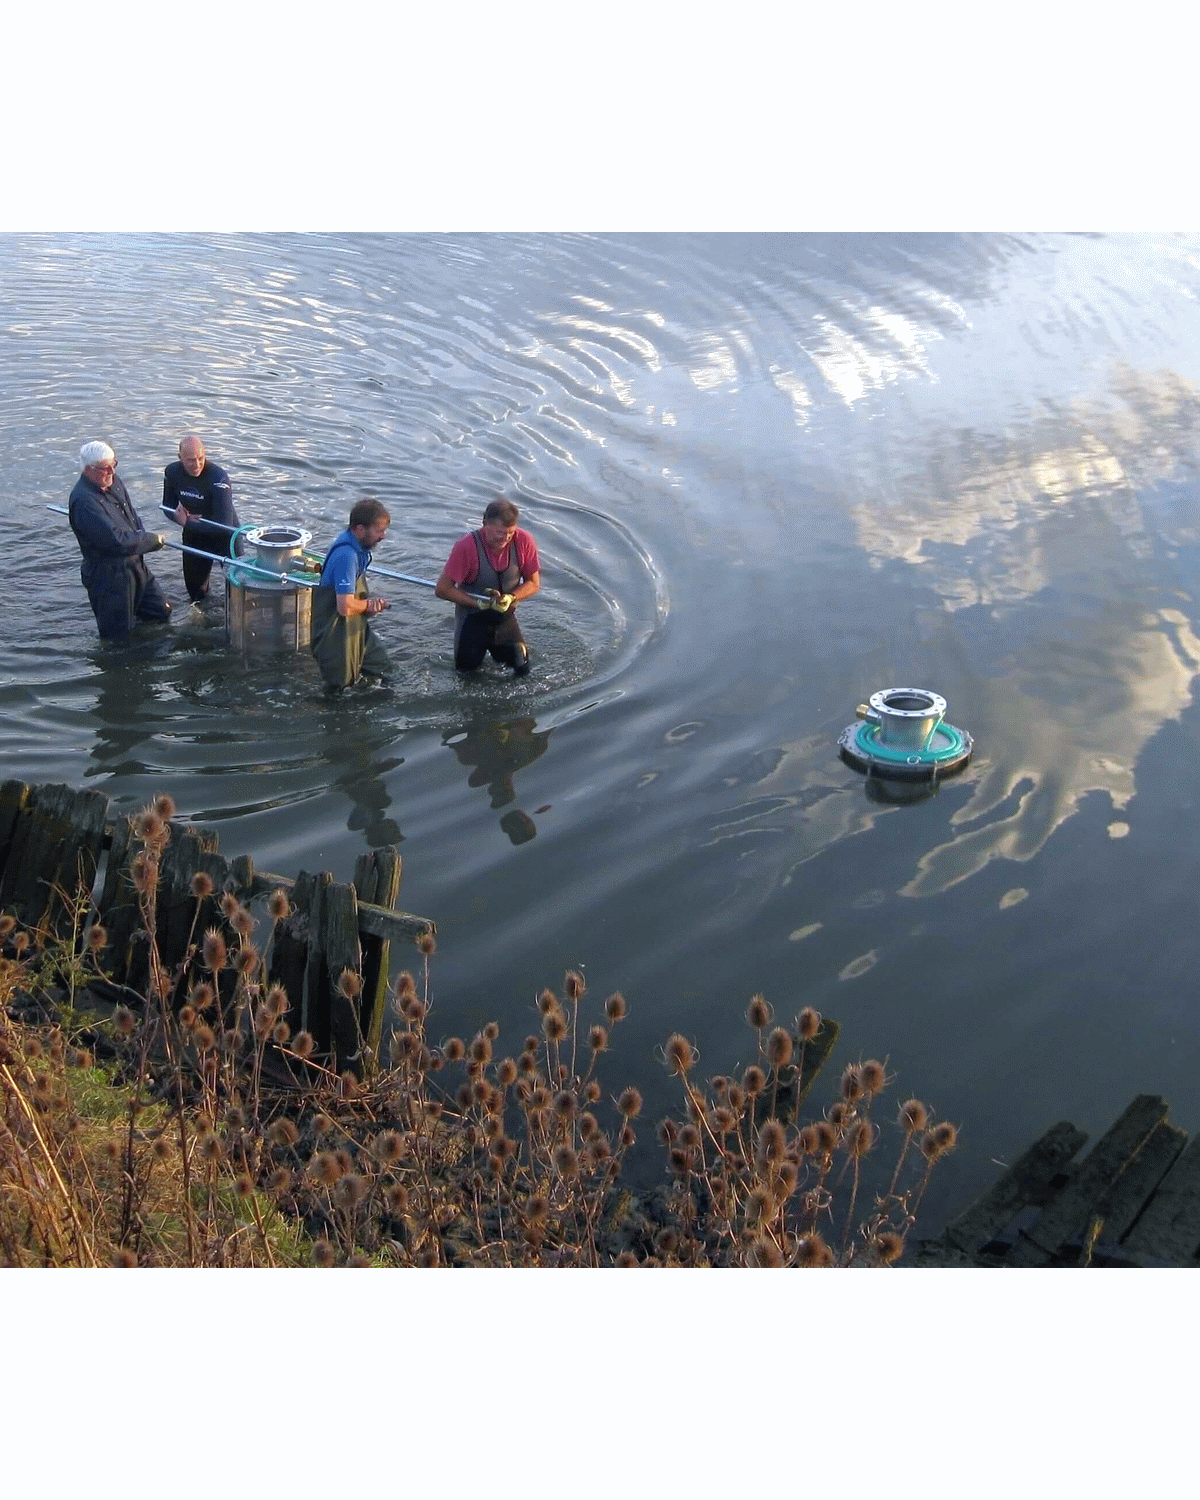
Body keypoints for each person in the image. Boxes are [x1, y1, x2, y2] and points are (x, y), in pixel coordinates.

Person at [68, 441, 171, 641]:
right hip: (109, 576)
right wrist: (152, 540)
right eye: (105, 468)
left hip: (135, 565)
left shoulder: (113, 480)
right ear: (88, 469)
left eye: (114, 465)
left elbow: (131, 516)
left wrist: (141, 537)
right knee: (118, 637)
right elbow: (116, 541)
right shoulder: (83, 502)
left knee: (160, 612)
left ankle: (151, 650)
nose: (111, 472)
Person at [434, 499, 539, 676]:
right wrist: (477, 603)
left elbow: (534, 583)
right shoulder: (466, 546)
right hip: (471, 621)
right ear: (485, 525)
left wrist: (511, 598)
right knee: (466, 676)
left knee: (523, 670)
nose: (505, 539)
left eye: (510, 533)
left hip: (505, 620)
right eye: (500, 532)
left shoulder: (524, 541)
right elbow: (442, 589)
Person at [310, 499, 392, 690]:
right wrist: (369, 605)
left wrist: (366, 608)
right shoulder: (347, 555)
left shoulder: (359, 550)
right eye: (379, 531)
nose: (383, 536)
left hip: (356, 628)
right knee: (340, 690)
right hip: (334, 634)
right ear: (360, 529)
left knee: (381, 667)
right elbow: (345, 607)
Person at [163, 434, 239, 603]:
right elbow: (167, 507)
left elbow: (224, 525)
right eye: (190, 460)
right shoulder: (172, 472)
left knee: (236, 594)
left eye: (200, 458)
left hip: (225, 538)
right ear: (180, 458)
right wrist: (177, 518)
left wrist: (188, 522)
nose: (197, 465)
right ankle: (202, 622)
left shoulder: (218, 478)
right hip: (195, 536)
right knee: (196, 596)